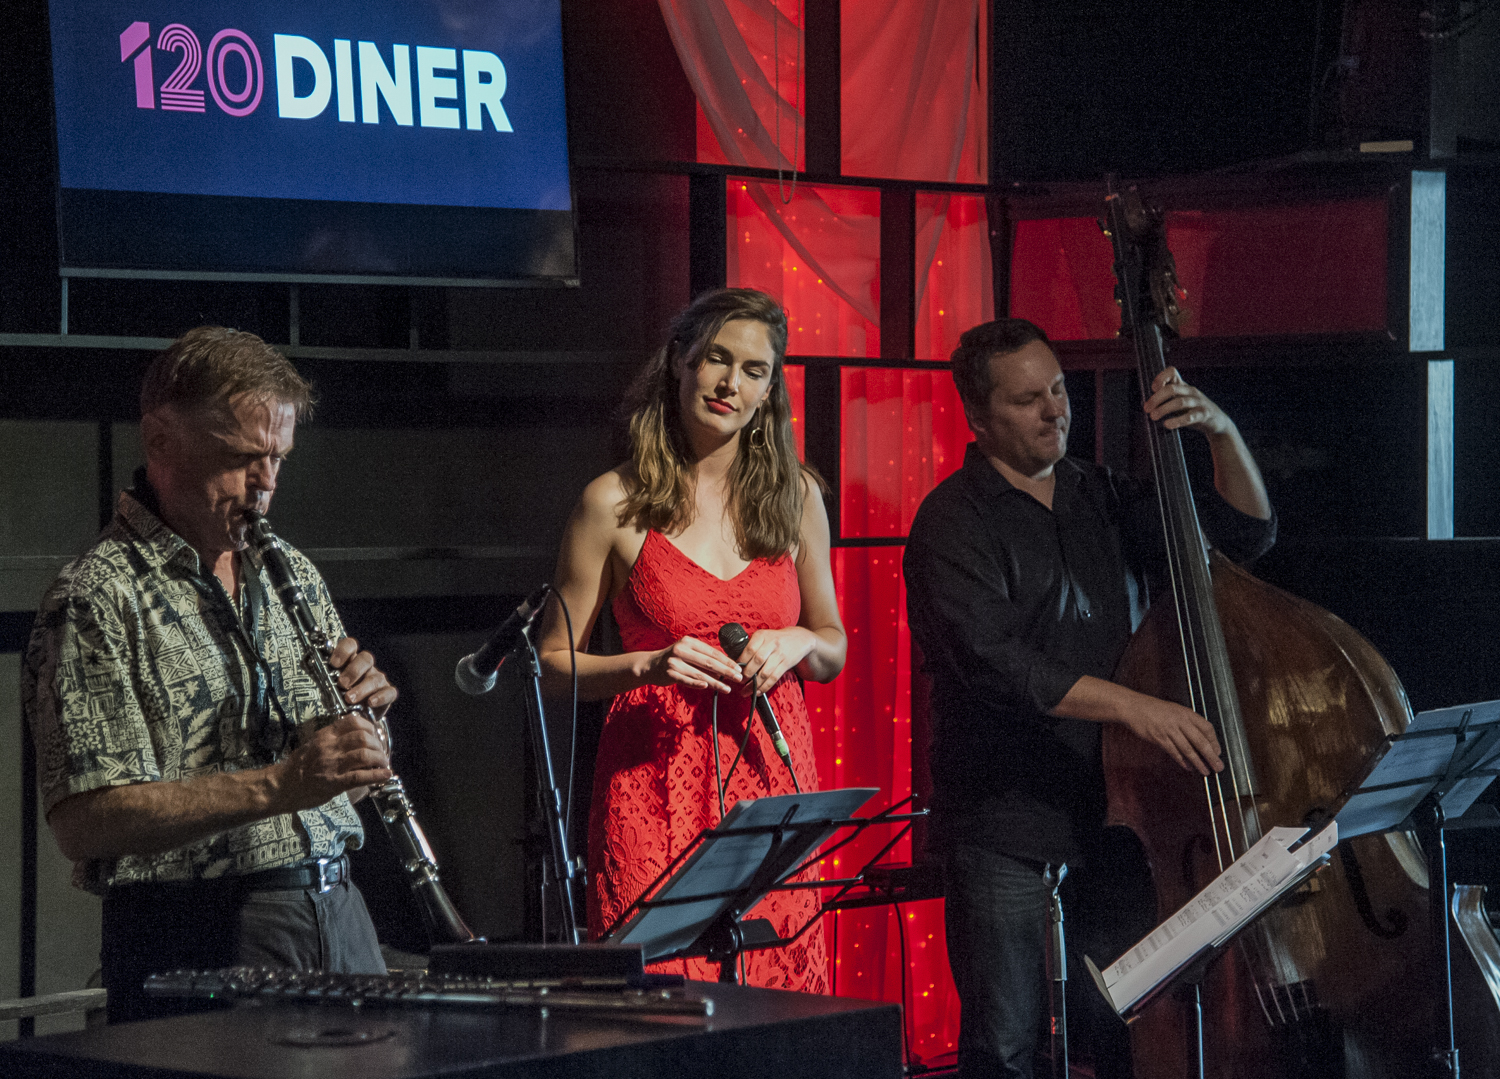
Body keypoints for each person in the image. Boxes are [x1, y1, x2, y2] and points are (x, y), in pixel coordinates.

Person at [902, 319, 1275, 1079]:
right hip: (1007, 819)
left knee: (1119, 1030)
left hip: (1117, 816)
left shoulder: (1099, 491)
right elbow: (1001, 666)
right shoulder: (950, 523)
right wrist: (1140, 708)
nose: (1055, 411)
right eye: (1028, 399)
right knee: (1005, 1043)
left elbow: (1243, 537)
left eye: (1060, 390)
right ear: (978, 418)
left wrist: (1222, 432)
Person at [23, 327, 398, 1023]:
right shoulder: (95, 597)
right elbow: (85, 820)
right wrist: (282, 783)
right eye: (241, 459)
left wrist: (362, 733)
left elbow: (338, 768)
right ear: (160, 440)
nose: (266, 485)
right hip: (199, 934)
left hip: (339, 911)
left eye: (278, 459)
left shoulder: (292, 569)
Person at [536, 288, 846, 989]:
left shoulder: (796, 495)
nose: (731, 383)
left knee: (778, 999)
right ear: (680, 361)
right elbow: (549, 665)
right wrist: (649, 661)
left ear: (770, 391)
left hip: (770, 777)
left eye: (754, 370)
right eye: (716, 359)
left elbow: (833, 645)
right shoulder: (611, 502)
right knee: (667, 1003)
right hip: (653, 778)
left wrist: (797, 640)